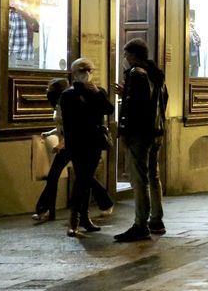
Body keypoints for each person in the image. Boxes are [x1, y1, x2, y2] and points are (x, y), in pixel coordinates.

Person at [33, 78, 114, 222]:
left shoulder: (69, 101)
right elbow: (61, 126)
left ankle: (102, 204)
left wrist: (62, 143)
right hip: (67, 143)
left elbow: (73, 126)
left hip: (72, 143)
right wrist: (50, 133)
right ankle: (45, 209)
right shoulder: (60, 103)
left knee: (83, 177)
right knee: (58, 176)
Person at [113, 38, 167, 242]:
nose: (124, 58)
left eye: (126, 54)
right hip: (156, 131)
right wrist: (125, 91)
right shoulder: (156, 74)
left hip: (139, 134)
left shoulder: (136, 73)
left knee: (140, 179)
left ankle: (140, 224)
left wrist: (124, 131)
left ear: (134, 55)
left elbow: (135, 106)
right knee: (153, 176)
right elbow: (158, 101)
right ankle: (156, 220)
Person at [58, 58, 115, 236]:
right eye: (83, 70)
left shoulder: (99, 91)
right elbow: (68, 122)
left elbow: (109, 110)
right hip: (77, 142)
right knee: (83, 178)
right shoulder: (68, 95)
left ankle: (82, 217)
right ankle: (76, 219)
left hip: (94, 141)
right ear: (74, 73)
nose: (87, 74)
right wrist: (67, 144)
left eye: (89, 70)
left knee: (84, 179)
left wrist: (96, 93)